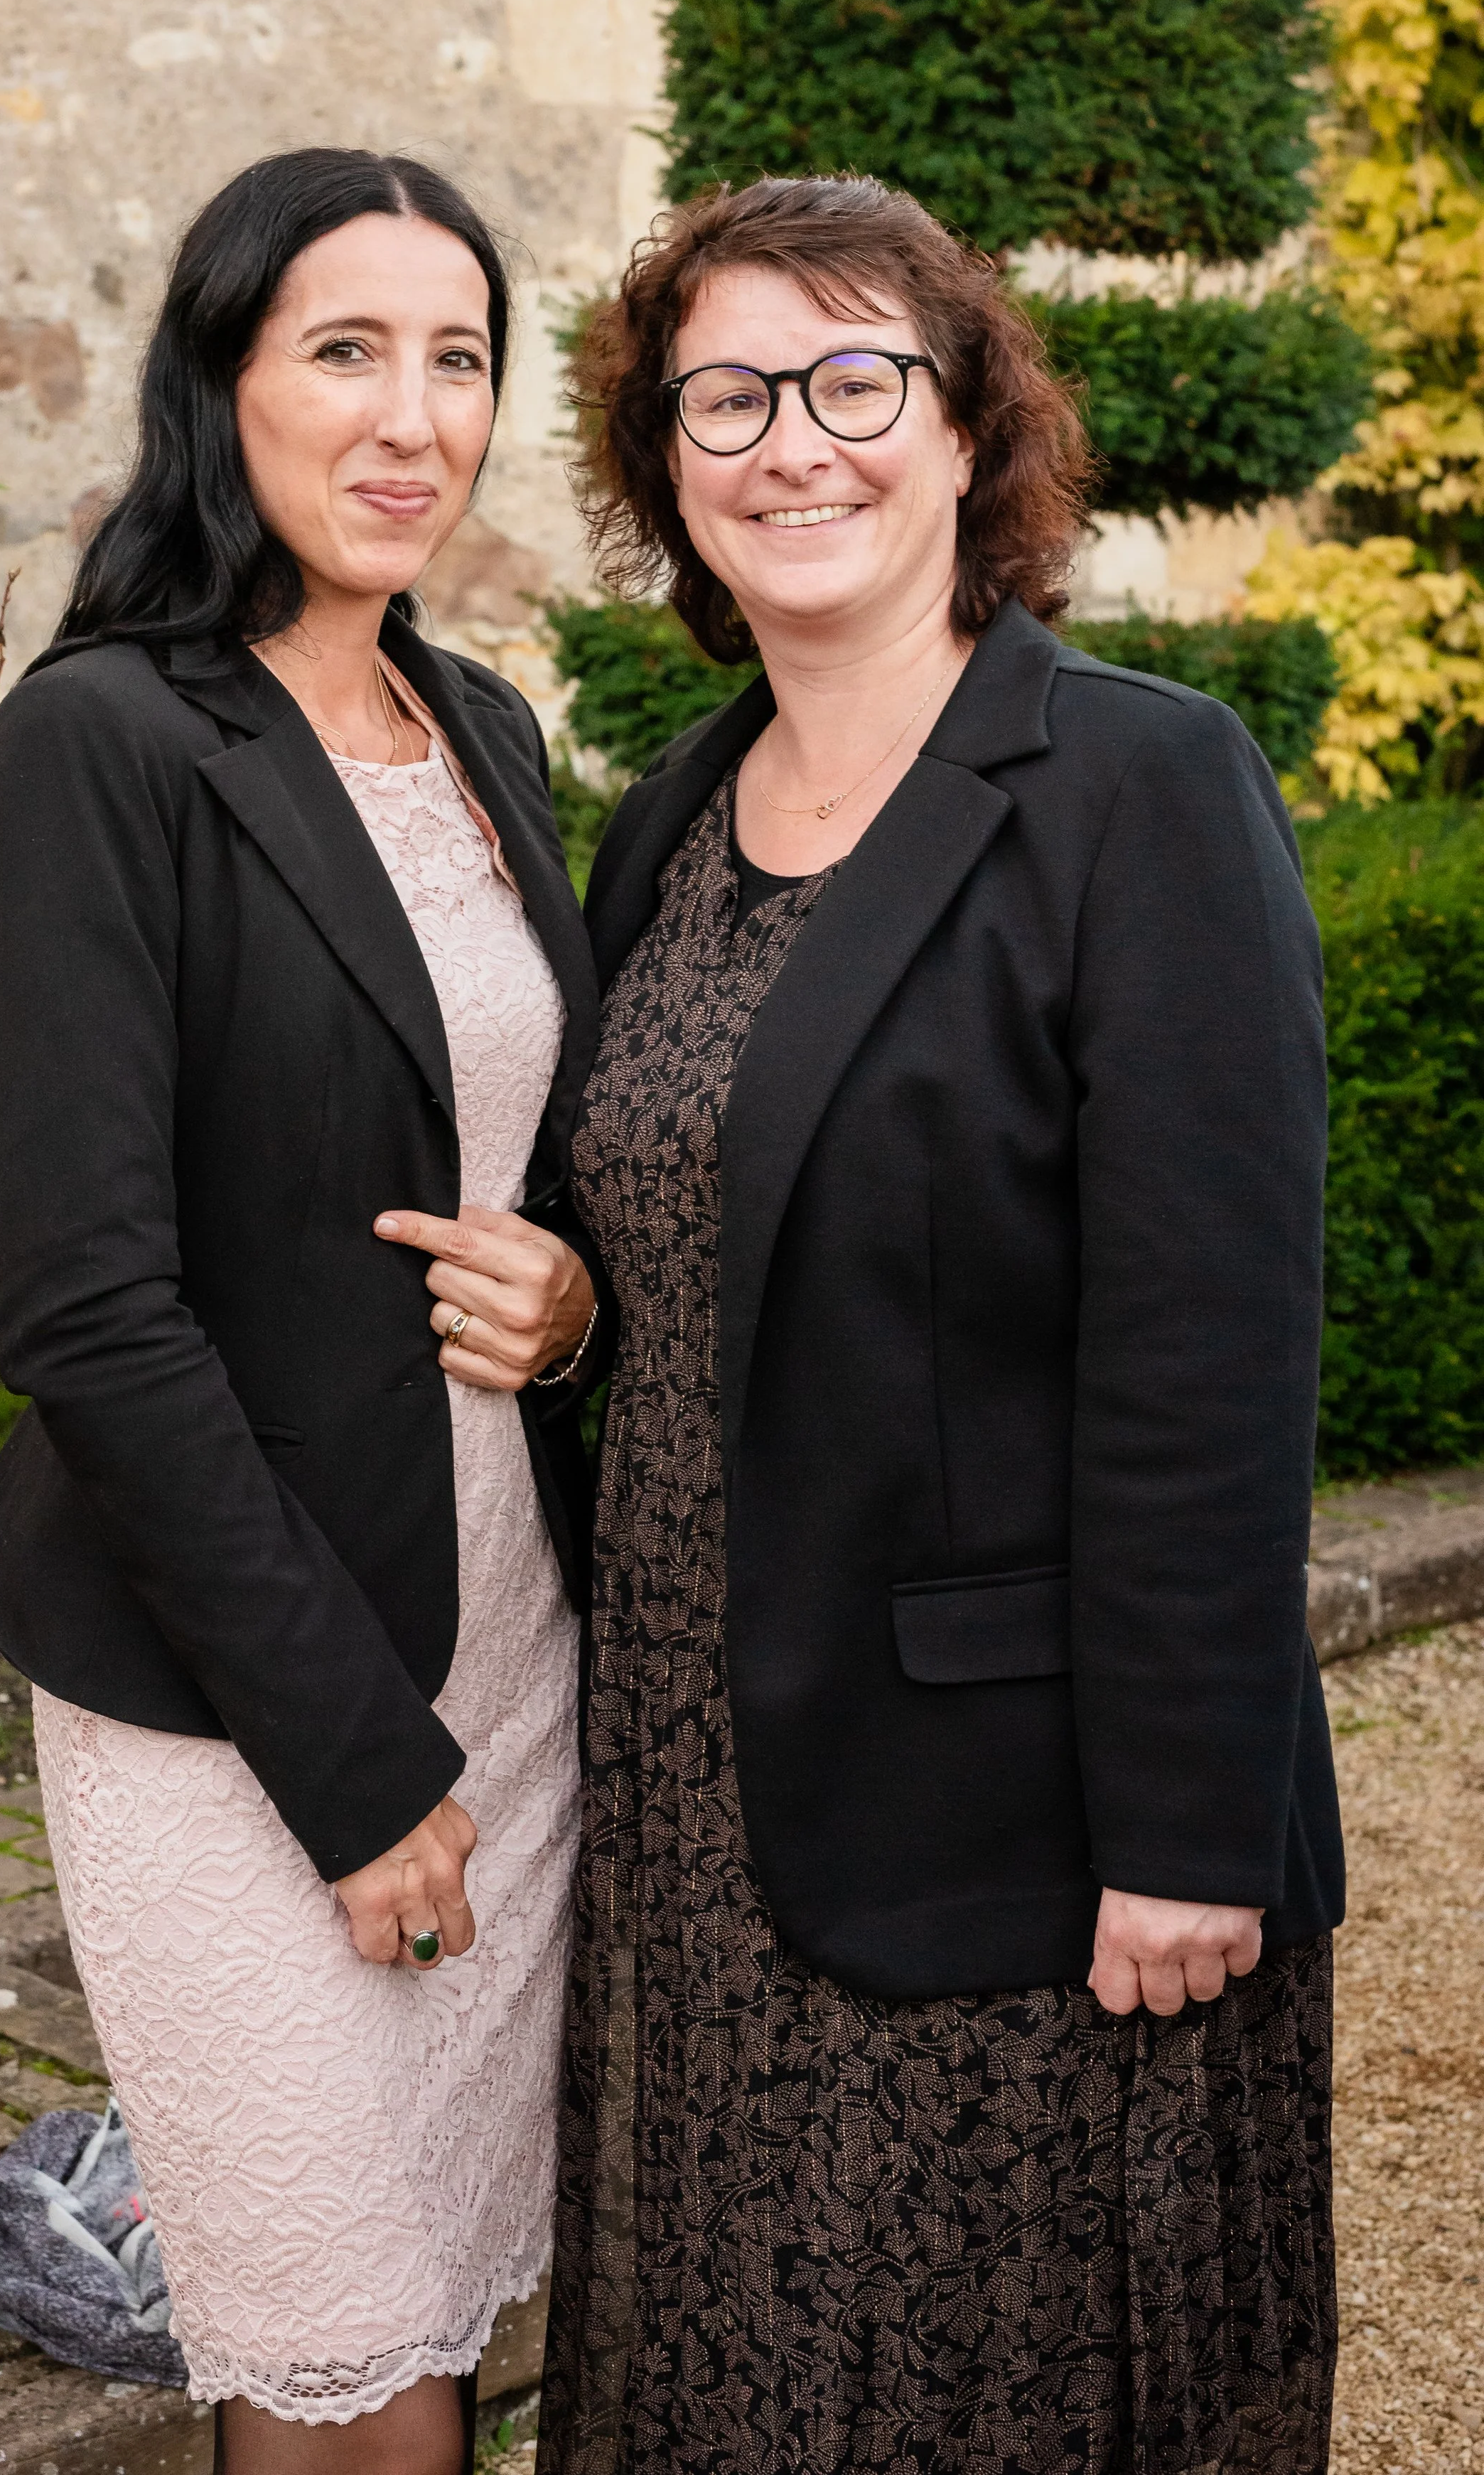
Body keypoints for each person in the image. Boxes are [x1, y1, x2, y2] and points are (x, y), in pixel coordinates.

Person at [538, 174, 1344, 2475]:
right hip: (693, 1789)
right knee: (735, 2377)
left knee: (991, 2397)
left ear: (970, 427)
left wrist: (1186, 1823)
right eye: (726, 395)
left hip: (1014, 1816)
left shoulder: (1132, 787)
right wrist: (576, 1306)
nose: (793, 441)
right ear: (666, 468)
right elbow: (710, 1241)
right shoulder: (667, 822)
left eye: (853, 377)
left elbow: (1205, 1346)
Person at [0, 149, 603, 2475]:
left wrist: (575, 1292)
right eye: (345, 349)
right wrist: (354, 1766)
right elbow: (95, 1316)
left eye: (457, 359)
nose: (411, 414)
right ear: (218, 385)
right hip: (244, 1704)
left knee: (434, 2308)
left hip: (515, 1653)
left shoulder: (491, 735)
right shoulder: (100, 749)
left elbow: (538, 1158)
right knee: (338, 2353)